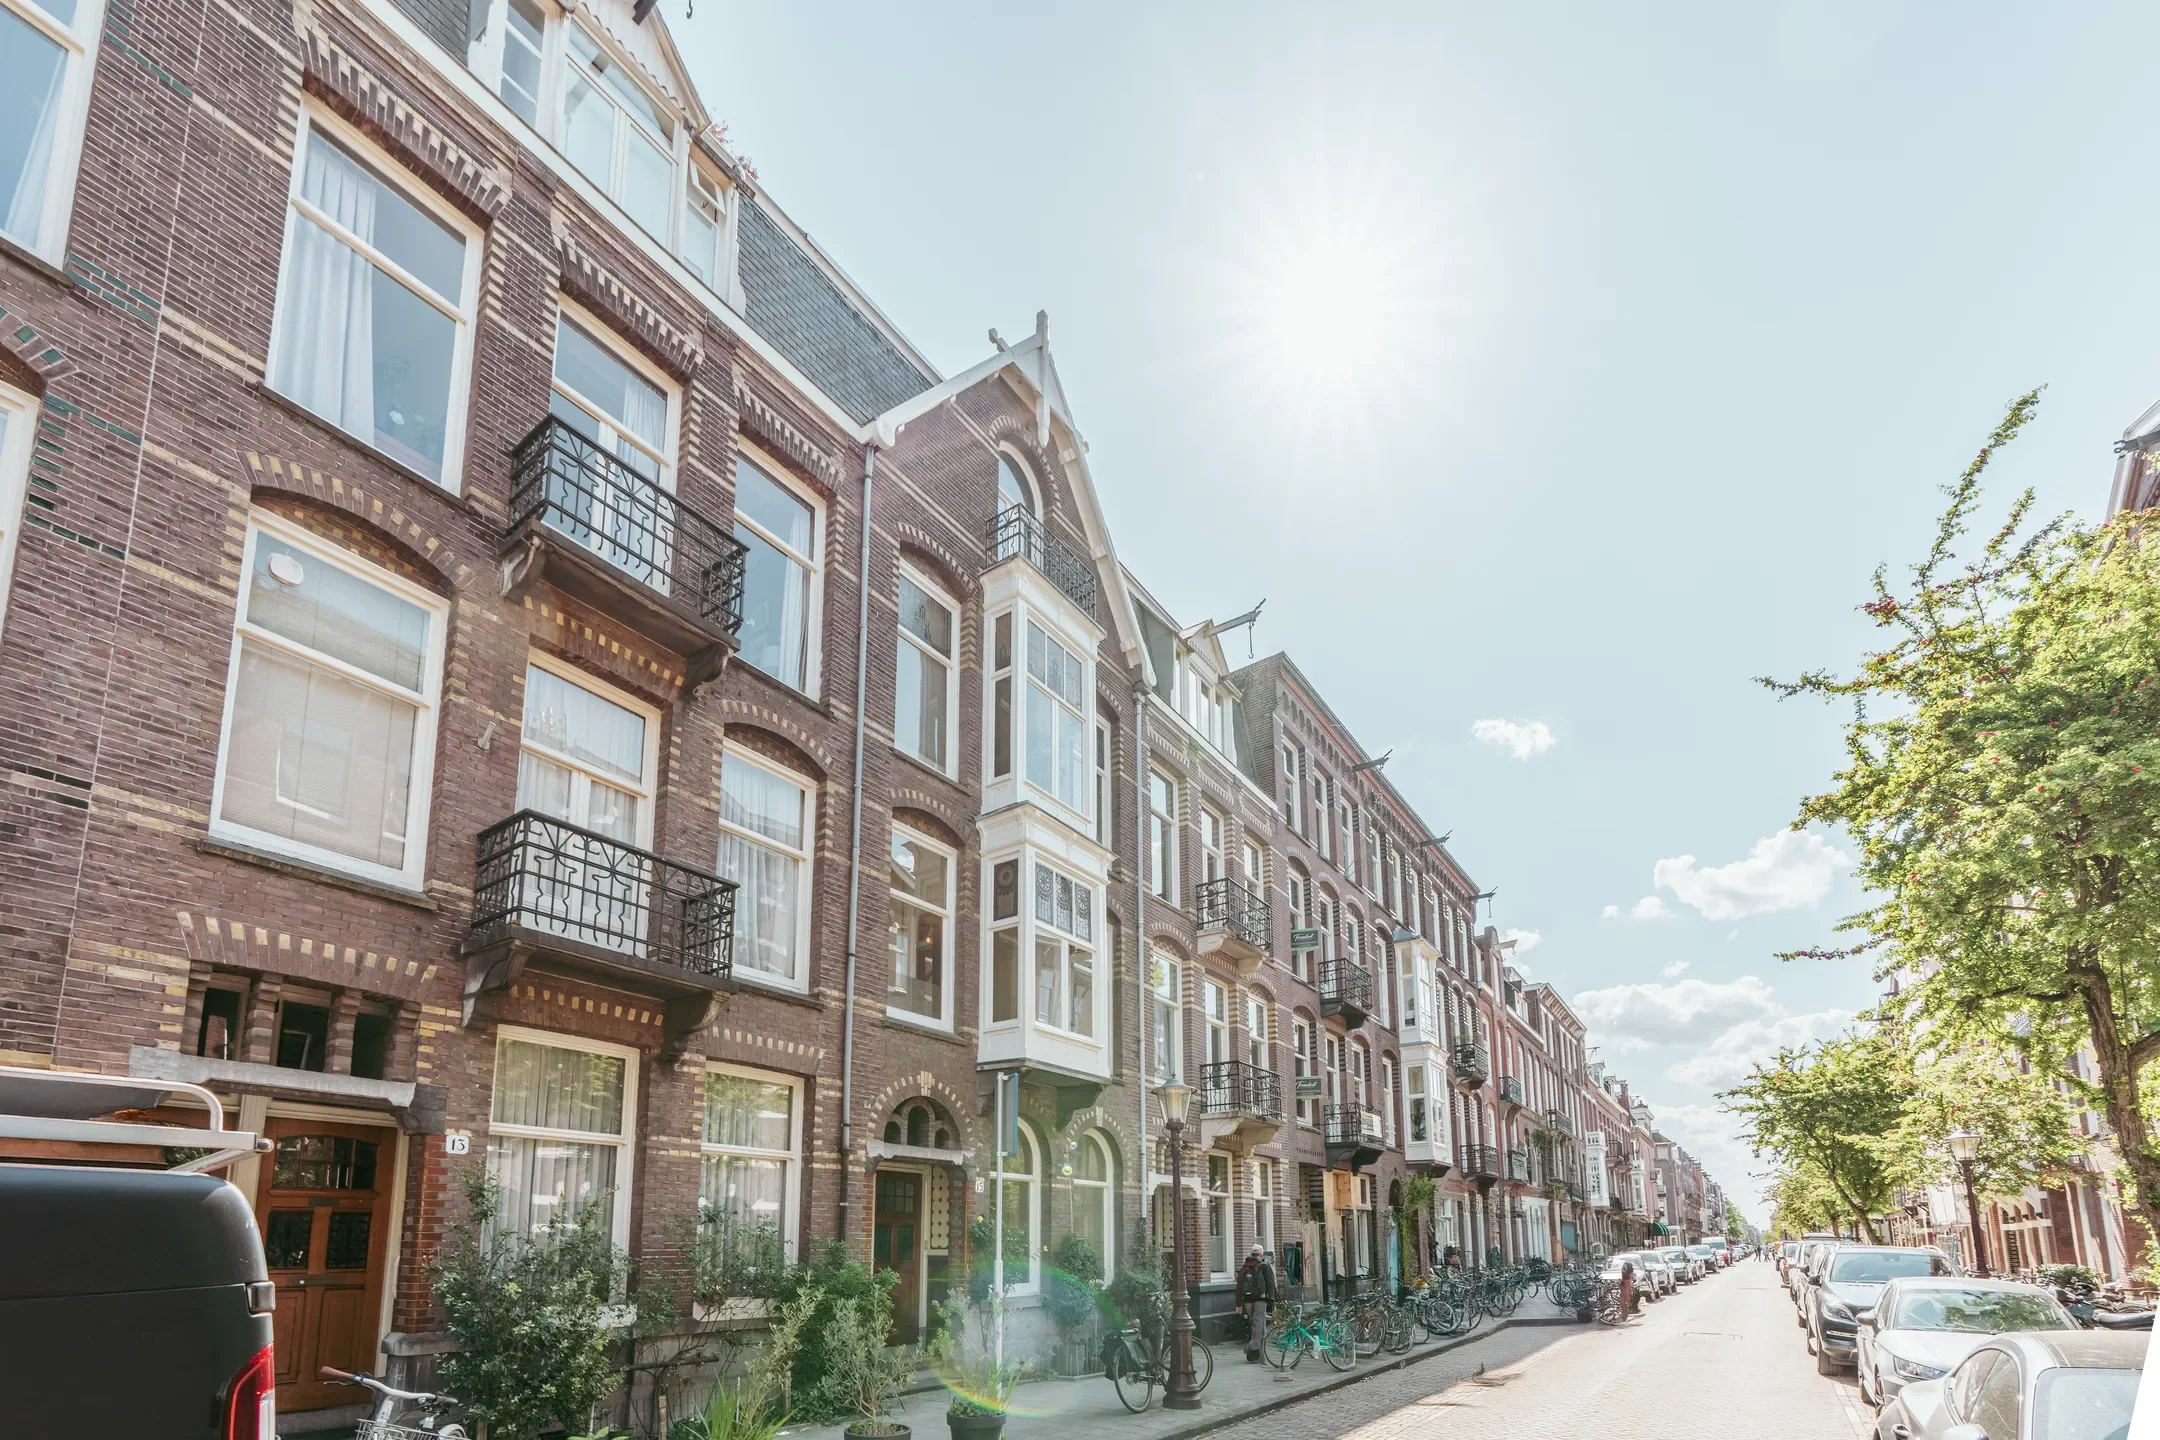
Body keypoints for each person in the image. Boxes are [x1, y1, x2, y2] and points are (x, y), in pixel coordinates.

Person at [1236, 1244, 1278, 1362]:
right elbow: (1271, 1283)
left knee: (1255, 1324)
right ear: (1261, 1254)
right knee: (1259, 1325)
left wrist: (1238, 1304)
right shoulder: (1264, 1266)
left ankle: (1257, 1355)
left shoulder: (1245, 1266)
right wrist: (1271, 1300)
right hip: (1260, 1299)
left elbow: (1239, 1286)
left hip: (1247, 1300)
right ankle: (1252, 1346)